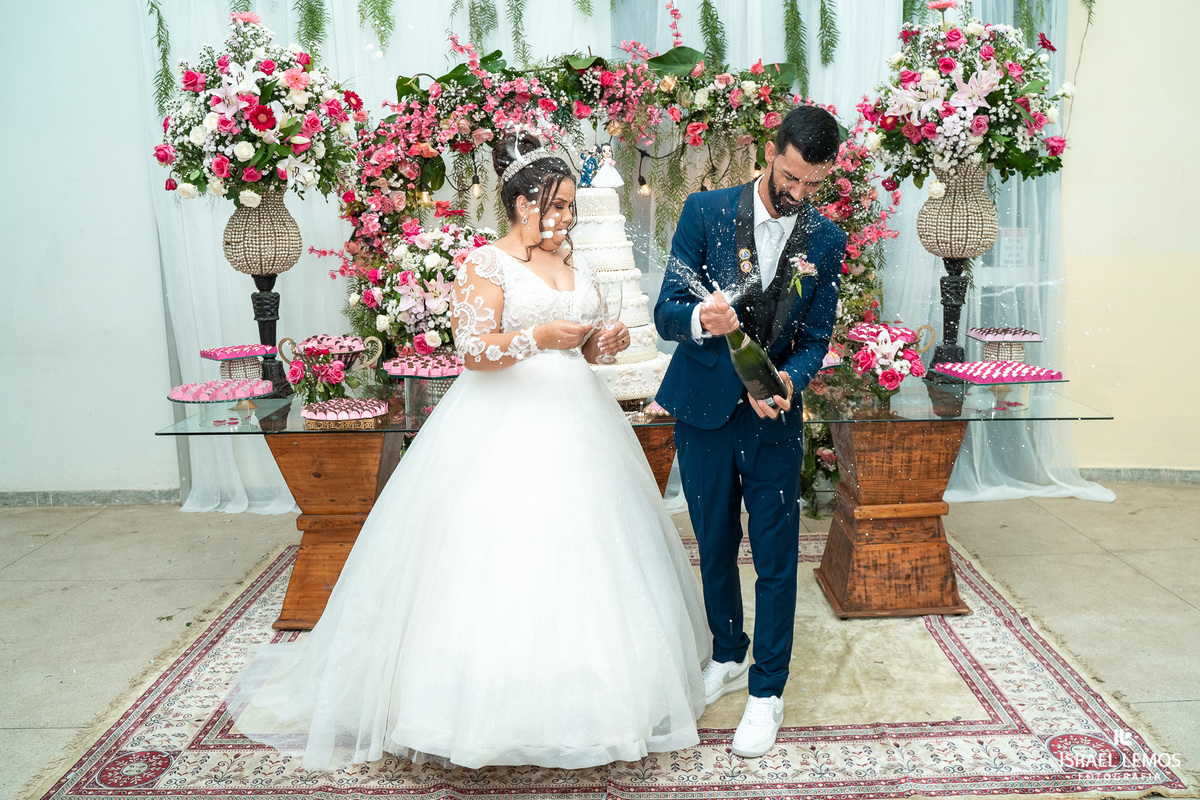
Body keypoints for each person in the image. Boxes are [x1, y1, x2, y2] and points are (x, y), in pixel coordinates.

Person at [226, 132, 710, 771]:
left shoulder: (576, 263)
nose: (563, 219)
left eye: (568, 207)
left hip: (580, 421)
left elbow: (583, 346)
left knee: (589, 545)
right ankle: (469, 705)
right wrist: (537, 335)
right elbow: (474, 352)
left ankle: (588, 696)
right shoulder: (485, 264)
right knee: (491, 549)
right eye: (553, 207)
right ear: (518, 205)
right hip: (500, 420)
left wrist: (602, 344)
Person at [652, 105, 846, 758]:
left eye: (814, 185)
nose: (799, 194)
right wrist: (701, 320)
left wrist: (792, 378)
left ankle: (767, 691)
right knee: (711, 539)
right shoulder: (704, 213)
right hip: (702, 412)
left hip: (773, 422)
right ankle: (728, 653)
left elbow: (816, 338)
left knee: (775, 555)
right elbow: (664, 312)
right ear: (772, 149)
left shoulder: (826, 239)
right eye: (792, 177)